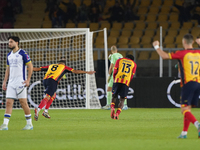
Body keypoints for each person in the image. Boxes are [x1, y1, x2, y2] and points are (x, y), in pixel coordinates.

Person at [152, 34, 200, 138]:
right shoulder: (199, 52)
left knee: (184, 110)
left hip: (188, 84)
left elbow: (164, 56)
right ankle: (184, 133)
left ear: (184, 42)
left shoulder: (182, 53)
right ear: (192, 42)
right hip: (198, 83)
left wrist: (156, 46)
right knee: (188, 109)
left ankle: (198, 125)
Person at [0, 36, 33, 130]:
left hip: (21, 82)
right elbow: (8, 69)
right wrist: (4, 81)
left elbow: (30, 66)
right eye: (9, 42)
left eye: (11, 42)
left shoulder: (23, 53)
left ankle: (29, 124)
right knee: (8, 103)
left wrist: (28, 79)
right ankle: (5, 125)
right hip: (11, 83)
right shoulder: (9, 55)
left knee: (23, 103)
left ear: (17, 42)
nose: (9, 44)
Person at [110, 54, 137, 120]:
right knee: (122, 100)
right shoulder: (134, 64)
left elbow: (115, 71)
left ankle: (113, 108)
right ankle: (117, 114)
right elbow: (131, 76)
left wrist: (114, 79)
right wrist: (128, 82)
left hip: (117, 80)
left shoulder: (119, 60)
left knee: (114, 96)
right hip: (125, 82)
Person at [102, 45, 128, 110]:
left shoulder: (113, 56)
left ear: (111, 51)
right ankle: (125, 105)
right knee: (122, 89)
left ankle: (108, 105)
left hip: (115, 74)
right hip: (122, 73)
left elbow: (111, 66)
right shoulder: (121, 55)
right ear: (117, 50)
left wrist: (108, 75)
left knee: (109, 89)